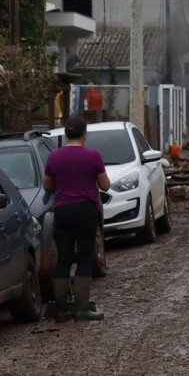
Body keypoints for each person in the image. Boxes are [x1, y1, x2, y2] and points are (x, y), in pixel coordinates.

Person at [44, 116, 110, 321]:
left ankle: (62, 310)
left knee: (64, 258)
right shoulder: (93, 156)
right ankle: (81, 308)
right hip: (86, 211)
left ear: (66, 133)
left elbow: (47, 185)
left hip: (63, 210)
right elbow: (105, 185)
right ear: (84, 134)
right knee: (83, 257)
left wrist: (64, 187)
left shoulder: (53, 157)